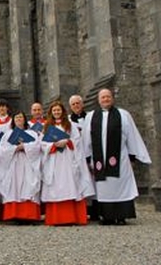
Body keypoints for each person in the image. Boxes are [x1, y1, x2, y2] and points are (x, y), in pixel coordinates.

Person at [83, 89, 151, 225]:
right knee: (103, 188)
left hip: (120, 159)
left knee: (121, 186)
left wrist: (132, 157)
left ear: (112, 98)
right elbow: (86, 138)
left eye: (108, 97)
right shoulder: (91, 116)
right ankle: (107, 217)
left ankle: (121, 216)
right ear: (98, 99)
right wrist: (87, 157)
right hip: (99, 160)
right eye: (103, 97)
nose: (106, 99)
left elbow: (132, 136)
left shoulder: (123, 115)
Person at [40, 101, 94, 226]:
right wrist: (52, 145)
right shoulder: (47, 126)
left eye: (58, 110)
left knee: (70, 183)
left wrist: (67, 142)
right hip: (54, 159)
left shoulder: (70, 125)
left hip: (68, 158)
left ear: (63, 111)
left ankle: (72, 217)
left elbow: (77, 141)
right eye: (54, 111)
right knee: (55, 185)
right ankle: (56, 218)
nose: (56, 112)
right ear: (51, 113)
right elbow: (41, 143)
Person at [0, 111, 41, 222]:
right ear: (13, 120)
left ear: (25, 119)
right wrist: (15, 148)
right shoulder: (8, 134)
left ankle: (29, 215)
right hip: (13, 163)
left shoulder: (32, 133)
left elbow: (37, 147)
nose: (19, 119)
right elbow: (2, 149)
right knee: (13, 186)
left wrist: (24, 146)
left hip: (27, 162)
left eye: (21, 117)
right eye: (16, 117)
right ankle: (14, 214)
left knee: (28, 185)